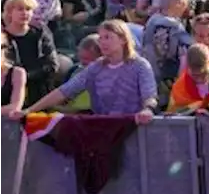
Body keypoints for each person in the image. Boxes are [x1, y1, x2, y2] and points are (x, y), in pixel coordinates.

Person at [19, 20, 157, 122]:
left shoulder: (140, 65)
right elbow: (65, 91)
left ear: (122, 39)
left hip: (134, 128)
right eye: (101, 38)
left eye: (108, 37)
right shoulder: (96, 67)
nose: (102, 42)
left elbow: (149, 96)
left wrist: (147, 110)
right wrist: (29, 110)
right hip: (105, 129)